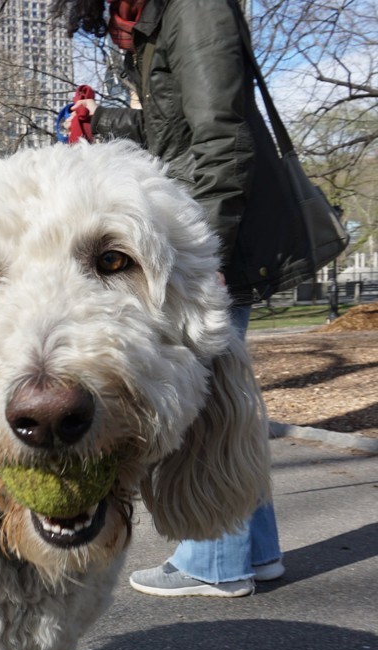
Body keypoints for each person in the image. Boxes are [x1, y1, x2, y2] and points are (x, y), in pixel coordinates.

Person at [53, 0, 285, 596]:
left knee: (208, 393)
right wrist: (102, 121)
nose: (103, 15)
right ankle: (255, 552)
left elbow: (222, 143)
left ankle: (216, 564)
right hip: (198, 229)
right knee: (224, 390)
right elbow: (172, 134)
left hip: (201, 238)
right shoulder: (158, 19)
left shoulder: (193, 7)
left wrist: (199, 260)